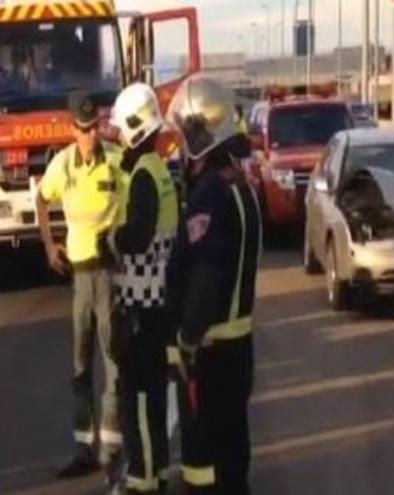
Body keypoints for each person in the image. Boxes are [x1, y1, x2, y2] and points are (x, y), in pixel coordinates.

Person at [165, 75, 261, 495]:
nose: (180, 143)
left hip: (212, 352)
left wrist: (185, 338)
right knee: (233, 454)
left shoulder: (209, 197)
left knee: (204, 461)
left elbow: (205, 278)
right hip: (239, 348)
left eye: (186, 134)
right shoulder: (241, 188)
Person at [36, 91, 127, 479]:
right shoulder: (63, 165)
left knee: (113, 362)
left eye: (93, 129)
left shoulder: (117, 161)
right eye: (83, 130)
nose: (89, 137)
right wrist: (47, 242)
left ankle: (110, 448)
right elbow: (41, 198)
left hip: (109, 273)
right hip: (79, 276)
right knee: (79, 364)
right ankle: (82, 449)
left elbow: (140, 200)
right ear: (72, 129)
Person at [103, 83, 180, 494]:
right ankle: (156, 471)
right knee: (150, 397)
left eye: (120, 128)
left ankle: (143, 480)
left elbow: (139, 235)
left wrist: (112, 239)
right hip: (158, 303)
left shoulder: (146, 176)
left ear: (135, 127)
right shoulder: (159, 168)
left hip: (143, 306)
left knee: (140, 401)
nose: (116, 135)